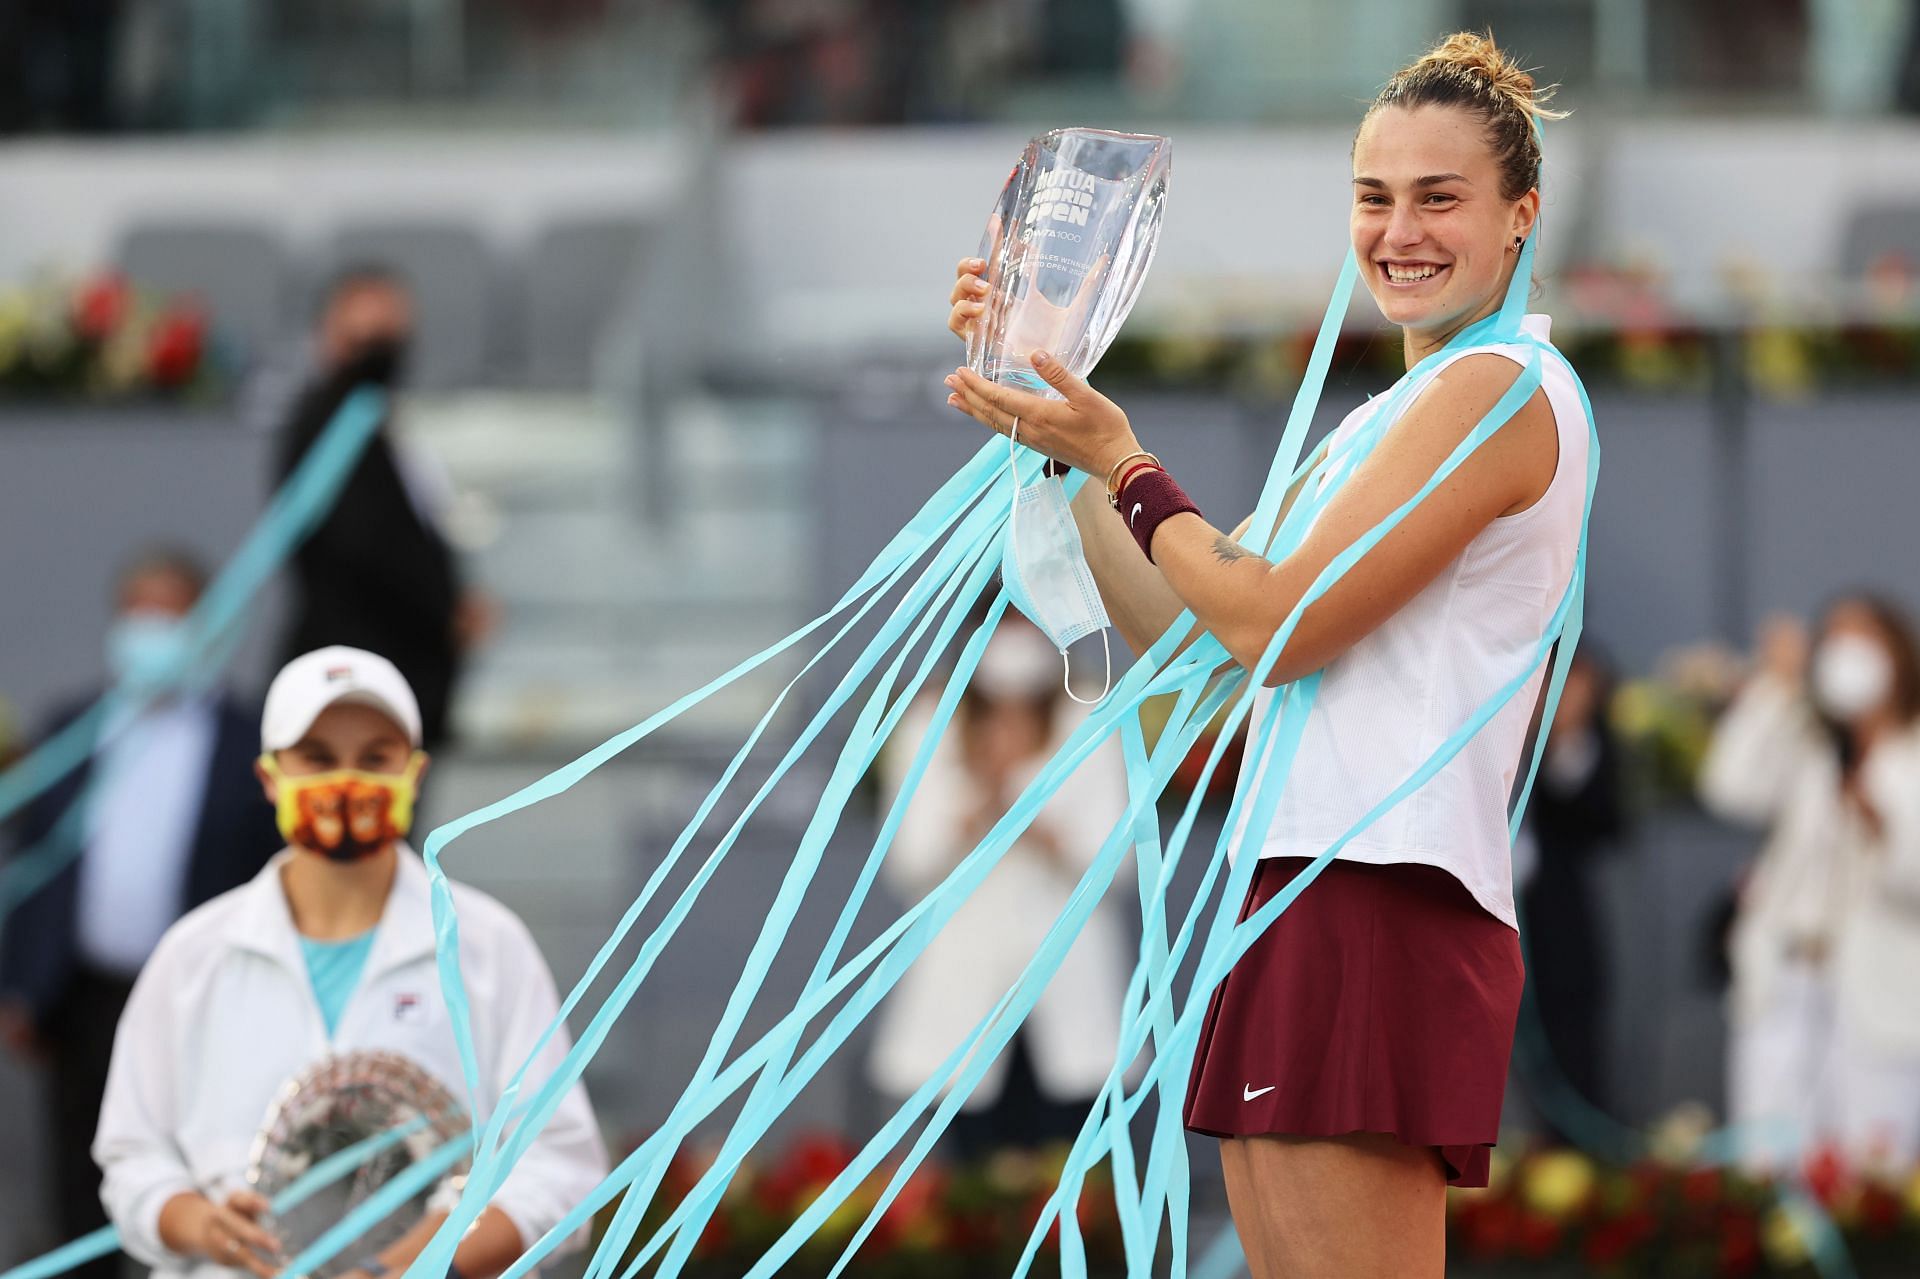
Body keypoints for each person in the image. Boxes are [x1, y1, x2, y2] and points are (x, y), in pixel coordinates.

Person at [944, 32, 1582, 1276]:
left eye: (1439, 197)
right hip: (1301, 880)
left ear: (1521, 216)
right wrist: (1061, 438)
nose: (1401, 229)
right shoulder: (1393, 414)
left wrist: (1127, 459)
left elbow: (1267, 619)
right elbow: (1197, 639)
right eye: (1375, 196)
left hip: (1383, 890)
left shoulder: (1504, 386)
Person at [93, 646, 607, 1277]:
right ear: (269, 776)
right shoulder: (193, 955)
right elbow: (133, 1153)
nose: (346, 781)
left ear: (414, 774)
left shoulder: (486, 946)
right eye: (317, 758)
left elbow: (558, 1164)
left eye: (375, 759)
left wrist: (408, 1268)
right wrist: (199, 1224)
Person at [0, 548, 282, 1279]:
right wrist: (20, 985)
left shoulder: (250, 744)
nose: (151, 629)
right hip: (86, 997)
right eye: (138, 611)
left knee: (203, 1171)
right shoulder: (71, 726)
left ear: (209, 621)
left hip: (207, 1003)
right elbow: (35, 864)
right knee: (79, 1185)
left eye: (170, 611)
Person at [866, 616, 1132, 1158]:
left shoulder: (1092, 715)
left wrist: (1029, 808)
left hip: (1066, 968)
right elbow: (908, 860)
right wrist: (985, 796)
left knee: (1071, 1163)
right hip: (963, 977)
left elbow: (1118, 864)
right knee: (974, 1166)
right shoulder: (931, 723)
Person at [1699, 599, 1920, 1177]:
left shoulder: (1912, 753)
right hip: (1785, 981)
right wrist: (1776, 686)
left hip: (1878, 993)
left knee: (1871, 1169)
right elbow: (1728, 786)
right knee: (1765, 1165)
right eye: (1836, 640)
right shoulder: (1811, 749)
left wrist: (1883, 831)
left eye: (1864, 638)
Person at [276, 266, 487, 750]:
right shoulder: (327, 425)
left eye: (391, 342)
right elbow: (367, 544)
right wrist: (445, 610)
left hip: (399, 691)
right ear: (327, 338)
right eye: (363, 343)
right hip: (355, 691)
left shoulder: (382, 426)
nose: (379, 360)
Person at [1516, 647, 1626, 1128]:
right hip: (1461, 912)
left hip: (1551, 928)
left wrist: (1566, 732)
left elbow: (1604, 818)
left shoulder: (1578, 723)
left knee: (1568, 1060)